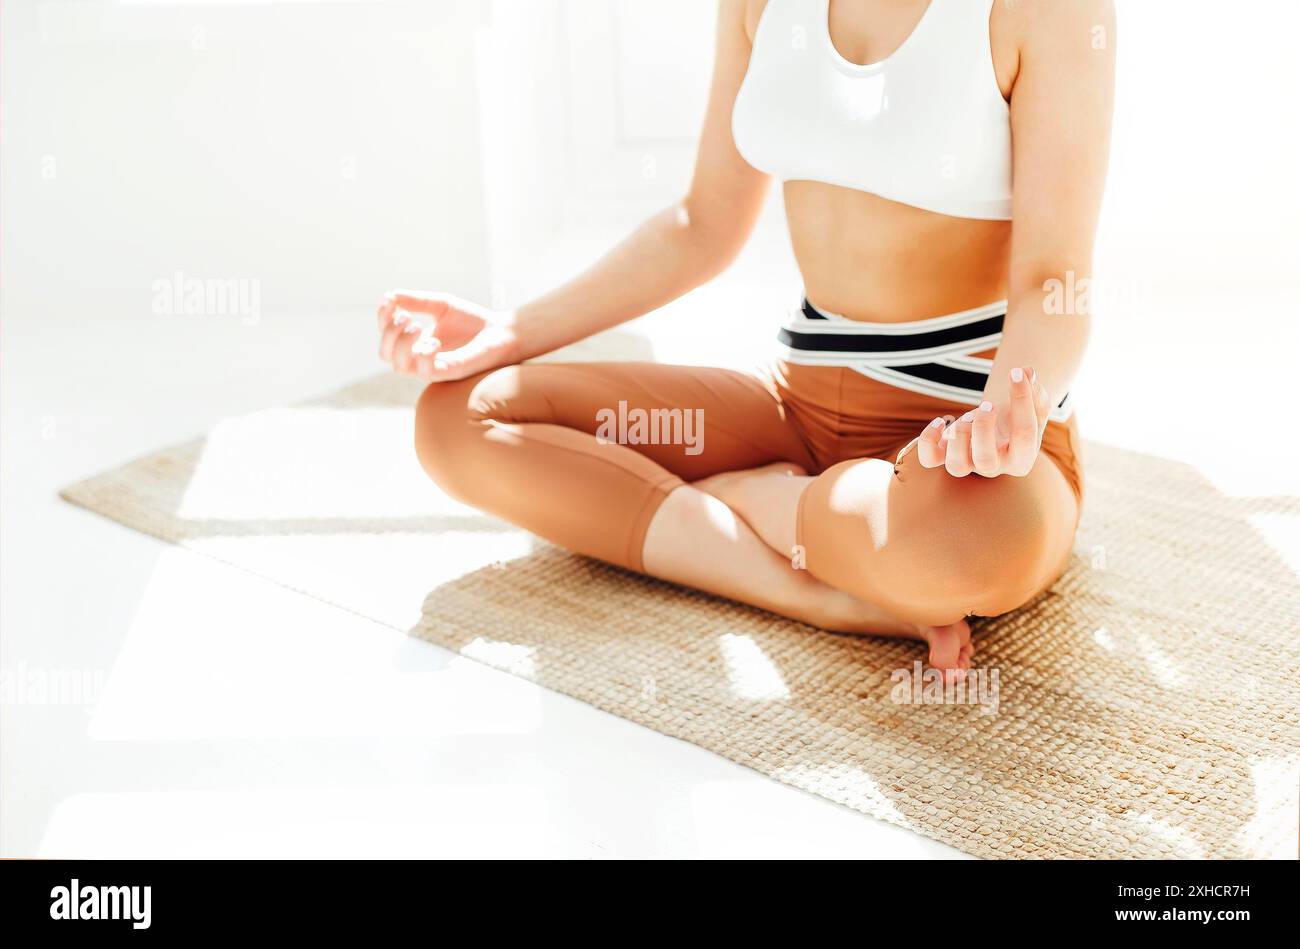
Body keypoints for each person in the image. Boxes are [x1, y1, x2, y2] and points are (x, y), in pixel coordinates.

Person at [378, 0, 1115, 681]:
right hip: (798, 405)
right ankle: (814, 584)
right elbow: (702, 225)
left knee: (972, 550)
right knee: (457, 419)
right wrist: (509, 331)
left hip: (961, 434)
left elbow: (1055, 280)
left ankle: (758, 506)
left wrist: (1008, 412)